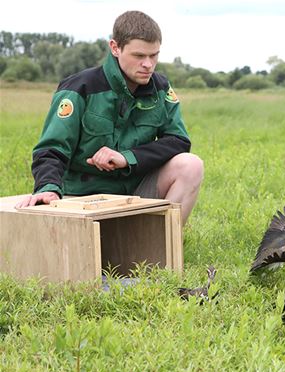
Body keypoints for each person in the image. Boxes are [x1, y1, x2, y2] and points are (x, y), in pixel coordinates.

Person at [15, 11, 203, 225]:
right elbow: (51, 149)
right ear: (115, 47)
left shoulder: (160, 88)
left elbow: (178, 141)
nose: (148, 65)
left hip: (134, 191)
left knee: (191, 165)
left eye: (154, 55)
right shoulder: (79, 88)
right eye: (139, 56)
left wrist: (127, 157)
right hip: (81, 195)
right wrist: (48, 188)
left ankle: (160, 248)